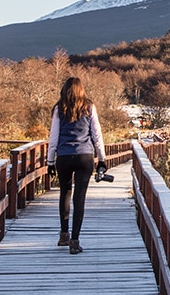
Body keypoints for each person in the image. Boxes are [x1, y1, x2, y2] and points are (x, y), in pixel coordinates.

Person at [47, 77, 107, 254]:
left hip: (64, 156)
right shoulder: (89, 107)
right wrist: (102, 159)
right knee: (79, 197)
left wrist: (50, 161)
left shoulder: (59, 108)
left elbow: (53, 137)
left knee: (64, 193)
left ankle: (64, 234)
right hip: (84, 156)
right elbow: (97, 134)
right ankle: (75, 240)